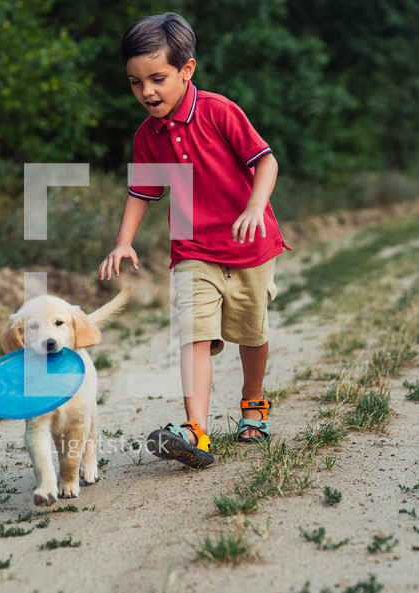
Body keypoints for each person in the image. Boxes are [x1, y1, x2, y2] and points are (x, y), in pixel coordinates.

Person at [97, 12, 289, 468]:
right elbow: (142, 192)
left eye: (157, 78)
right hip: (193, 250)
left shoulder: (219, 111)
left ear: (187, 69)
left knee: (251, 331)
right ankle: (195, 431)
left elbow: (267, 162)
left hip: (250, 245)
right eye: (135, 82)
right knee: (193, 334)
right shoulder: (148, 136)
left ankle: (254, 405)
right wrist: (123, 241)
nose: (146, 92)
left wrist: (254, 207)